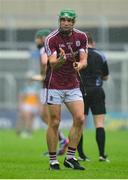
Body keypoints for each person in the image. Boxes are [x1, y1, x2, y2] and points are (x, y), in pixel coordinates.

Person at [43, 9, 88, 170]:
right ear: (59, 21)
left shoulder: (81, 37)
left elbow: (84, 60)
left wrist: (79, 65)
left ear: (73, 22)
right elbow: (52, 64)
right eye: (63, 19)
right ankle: (53, 160)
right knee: (55, 122)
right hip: (54, 85)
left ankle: (70, 157)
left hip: (73, 84)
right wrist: (61, 60)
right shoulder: (51, 39)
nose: (65, 22)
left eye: (69, 20)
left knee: (80, 118)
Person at [34, 29, 69, 155]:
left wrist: (41, 76)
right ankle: (62, 139)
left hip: (48, 85)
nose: (35, 41)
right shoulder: (52, 47)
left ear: (43, 38)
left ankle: (59, 143)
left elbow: (45, 62)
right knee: (46, 117)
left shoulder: (45, 48)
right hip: (49, 84)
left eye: (37, 38)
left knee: (47, 117)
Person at [77, 32, 110, 162]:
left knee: (79, 124)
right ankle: (102, 155)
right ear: (93, 42)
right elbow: (106, 76)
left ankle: (81, 155)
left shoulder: (78, 54)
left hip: (81, 91)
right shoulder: (100, 55)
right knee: (100, 124)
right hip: (97, 90)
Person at [16, 71, 41, 138]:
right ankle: (23, 131)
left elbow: (38, 97)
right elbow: (21, 97)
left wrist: (39, 106)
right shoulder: (24, 86)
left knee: (31, 119)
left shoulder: (36, 86)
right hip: (26, 105)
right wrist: (20, 105)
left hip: (34, 105)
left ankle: (29, 132)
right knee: (26, 117)